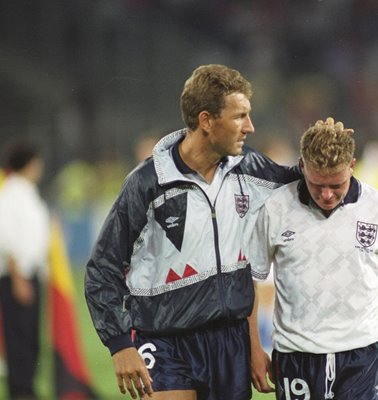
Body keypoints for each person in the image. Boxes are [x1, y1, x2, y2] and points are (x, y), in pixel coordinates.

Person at [84, 64, 300, 400]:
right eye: (240, 116)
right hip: (163, 338)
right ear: (206, 120)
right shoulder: (147, 183)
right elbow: (103, 268)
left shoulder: (250, 169)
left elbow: (309, 181)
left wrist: (328, 148)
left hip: (230, 342)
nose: (250, 127)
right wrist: (118, 344)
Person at [248, 118, 378, 399]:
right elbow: (250, 282)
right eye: (317, 185)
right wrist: (255, 348)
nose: (327, 194)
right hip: (296, 358)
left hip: (363, 357)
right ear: (302, 167)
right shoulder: (275, 208)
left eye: (336, 185)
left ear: (352, 165)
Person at [0, 140, 50, 399]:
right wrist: (18, 276)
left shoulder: (28, 192)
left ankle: (27, 387)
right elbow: (6, 239)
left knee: (30, 336)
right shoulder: (10, 193)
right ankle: (20, 390)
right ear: (29, 163)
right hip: (16, 275)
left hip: (32, 273)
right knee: (19, 336)